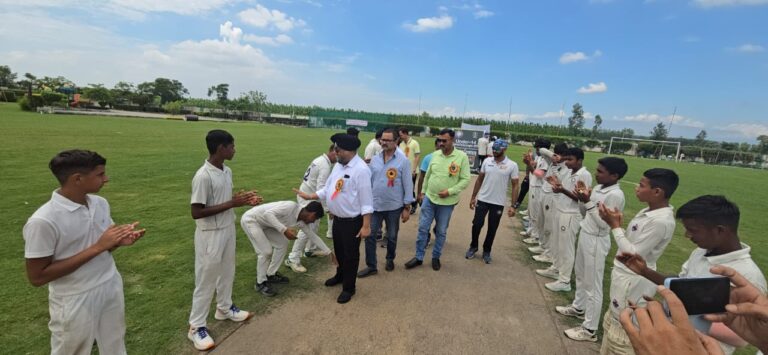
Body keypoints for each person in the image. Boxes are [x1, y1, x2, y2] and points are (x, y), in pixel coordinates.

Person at [23, 149, 146, 355]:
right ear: (77, 179)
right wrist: (99, 246)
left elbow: (105, 244)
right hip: (74, 297)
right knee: (72, 350)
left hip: (109, 283)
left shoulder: (100, 203)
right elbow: (37, 277)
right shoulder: (43, 221)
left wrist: (117, 242)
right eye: (100, 175)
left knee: (115, 344)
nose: (106, 179)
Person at [615, 195, 766, 354]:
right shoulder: (701, 252)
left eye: (693, 230)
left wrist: (679, 315)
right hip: (670, 344)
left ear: (719, 230)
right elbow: (682, 283)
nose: (687, 235)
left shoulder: (748, 276)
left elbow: (739, 338)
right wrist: (644, 271)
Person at [188, 130, 260, 351]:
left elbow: (223, 201)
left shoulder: (226, 170)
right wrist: (233, 203)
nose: (234, 150)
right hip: (210, 234)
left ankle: (224, 308)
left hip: (227, 228)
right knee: (206, 280)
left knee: (227, 271)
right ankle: (195, 326)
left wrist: (243, 200)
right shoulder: (203, 176)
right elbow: (196, 211)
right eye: (232, 146)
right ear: (221, 148)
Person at [597, 168, 680, 355]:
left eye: (642, 185)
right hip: (625, 274)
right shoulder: (648, 211)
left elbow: (633, 254)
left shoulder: (661, 221)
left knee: (625, 330)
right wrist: (618, 224)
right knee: (613, 322)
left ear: (657, 192)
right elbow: (632, 242)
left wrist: (615, 226)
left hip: (634, 278)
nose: (637, 188)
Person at [555, 157, 628, 342]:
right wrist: (582, 197)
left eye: (601, 171)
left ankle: (589, 330)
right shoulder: (598, 188)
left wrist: (587, 201)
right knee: (580, 275)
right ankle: (579, 308)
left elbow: (605, 224)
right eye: (597, 170)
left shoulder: (615, 195)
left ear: (615, 175)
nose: (596, 174)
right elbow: (586, 211)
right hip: (586, 233)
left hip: (597, 239)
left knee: (593, 286)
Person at [295, 133, 373, 304]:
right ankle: (340, 275)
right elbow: (329, 188)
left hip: (352, 222)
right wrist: (310, 196)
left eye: (338, 150)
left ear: (349, 150)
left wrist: (366, 225)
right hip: (337, 219)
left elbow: (367, 201)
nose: (335, 153)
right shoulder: (339, 165)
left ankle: (349, 288)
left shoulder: (361, 170)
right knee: (339, 250)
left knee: (350, 255)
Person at [405, 128, 471, 271]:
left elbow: (466, 179)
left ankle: (435, 257)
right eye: (439, 140)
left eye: (444, 140)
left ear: (452, 140)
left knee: (440, 231)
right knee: (423, 228)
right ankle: (419, 256)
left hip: (447, 203)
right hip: (429, 199)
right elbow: (428, 175)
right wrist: (422, 193)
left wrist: (450, 191)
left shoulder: (461, 157)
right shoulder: (434, 155)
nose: (441, 143)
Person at [241, 201, 327, 296]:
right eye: (315, 218)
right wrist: (284, 230)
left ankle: (270, 274)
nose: (313, 221)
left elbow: (313, 236)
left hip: (267, 224)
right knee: (266, 252)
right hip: (252, 220)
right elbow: (268, 214)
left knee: (282, 243)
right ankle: (260, 282)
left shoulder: (301, 222)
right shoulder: (291, 206)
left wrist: (329, 252)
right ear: (312, 214)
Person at [359, 128, 414, 276]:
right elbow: (369, 181)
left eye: (388, 140)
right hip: (375, 206)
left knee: (392, 236)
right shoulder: (375, 159)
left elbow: (408, 185)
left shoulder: (403, 161)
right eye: (382, 140)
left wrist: (407, 207)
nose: (384, 142)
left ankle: (390, 259)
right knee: (370, 236)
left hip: (394, 207)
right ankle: (371, 266)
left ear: (396, 141)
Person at [541, 147, 592, 292]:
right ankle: (556, 269)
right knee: (557, 243)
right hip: (561, 210)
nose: (567, 162)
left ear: (580, 160)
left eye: (570, 159)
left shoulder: (584, 175)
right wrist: (556, 184)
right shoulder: (570, 172)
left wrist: (562, 190)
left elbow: (581, 199)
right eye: (566, 159)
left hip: (571, 214)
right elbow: (563, 187)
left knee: (566, 248)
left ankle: (564, 281)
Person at [466, 139, 520, 264]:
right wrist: (473, 197)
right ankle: (473, 246)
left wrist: (513, 206)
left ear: (505, 149)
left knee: (492, 228)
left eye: (498, 150)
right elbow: (479, 180)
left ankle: (487, 251)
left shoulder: (512, 165)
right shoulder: (487, 161)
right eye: (493, 149)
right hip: (483, 199)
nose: (495, 152)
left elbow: (515, 185)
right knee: (477, 224)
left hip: (498, 203)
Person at [285, 144, 336, 273]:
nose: (340, 156)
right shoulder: (324, 165)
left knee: (315, 225)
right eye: (338, 152)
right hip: (308, 198)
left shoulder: (320, 160)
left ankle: (310, 250)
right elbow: (321, 188)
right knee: (306, 228)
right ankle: (293, 258)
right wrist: (327, 209)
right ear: (332, 151)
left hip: (309, 195)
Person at [529, 143, 567, 265]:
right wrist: (553, 155)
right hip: (543, 193)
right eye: (555, 153)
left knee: (549, 226)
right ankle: (542, 245)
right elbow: (542, 150)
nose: (556, 157)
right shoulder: (550, 160)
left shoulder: (566, 167)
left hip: (553, 197)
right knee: (541, 221)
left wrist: (561, 159)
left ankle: (549, 252)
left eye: (559, 154)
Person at [520, 139, 552, 248]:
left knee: (536, 212)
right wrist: (529, 161)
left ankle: (535, 235)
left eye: (537, 148)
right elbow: (534, 165)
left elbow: (539, 174)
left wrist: (529, 165)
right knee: (531, 210)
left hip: (539, 187)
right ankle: (531, 230)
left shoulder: (546, 160)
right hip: (534, 186)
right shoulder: (540, 158)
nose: (536, 150)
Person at [399, 128, 421, 214]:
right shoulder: (401, 144)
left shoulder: (414, 143)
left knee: (410, 189)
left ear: (405, 133)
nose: (400, 137)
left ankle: (414, 204)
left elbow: (417, 156)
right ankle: (404, 205)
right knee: (402, 188)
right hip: (402, 171)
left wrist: (414, 169)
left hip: (412, 171)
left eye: (401, 135)